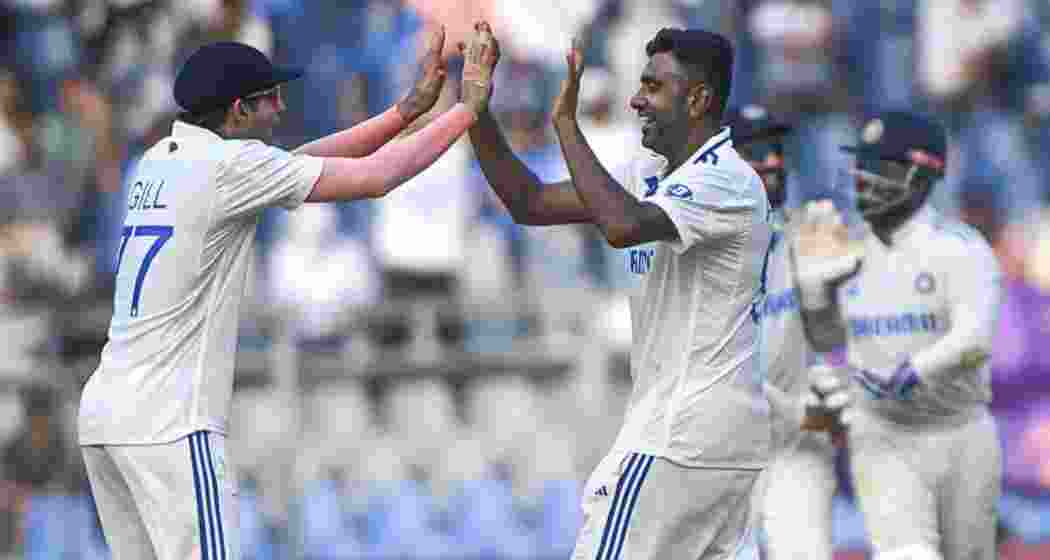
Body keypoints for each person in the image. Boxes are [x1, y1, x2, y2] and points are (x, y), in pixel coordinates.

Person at [77, 26, 498, 560]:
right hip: (170, 422)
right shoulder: (229, 167)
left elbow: (304, 163)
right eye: (269, 98)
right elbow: (377, 177)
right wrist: (466, 111)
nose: (280, 107)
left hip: (107, 417)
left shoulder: (162, 158)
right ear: (237, 111)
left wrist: (404, 113)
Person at [468, 23, 772, 559]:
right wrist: (477, 113)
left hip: (679, 436)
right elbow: (531, 203)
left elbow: (620, 226)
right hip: (709, 441)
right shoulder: (650, 172)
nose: (636, 100)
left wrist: (564, 123)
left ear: (698, 99)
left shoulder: (725, 178)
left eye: (654, 87)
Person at [792, 111, 1003, 560]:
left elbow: (975, 339)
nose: (866, 180)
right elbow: (827, 341)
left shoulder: (960, 248)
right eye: (863, 166)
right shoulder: (845, 248)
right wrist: (813, 294)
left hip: (960, 430)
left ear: (926, 174)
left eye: (884, 168)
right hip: (882, 433)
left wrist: (911, 371)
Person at [725, 104, 851, 560]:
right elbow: (728, 371)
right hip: (724, 454)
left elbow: (831, 341)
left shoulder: (805, 231)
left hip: (795, 450)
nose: (772, 161)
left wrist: (822, 295)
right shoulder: (704, 245)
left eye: (776, 149)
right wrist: (804, 412)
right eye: (756, 152)